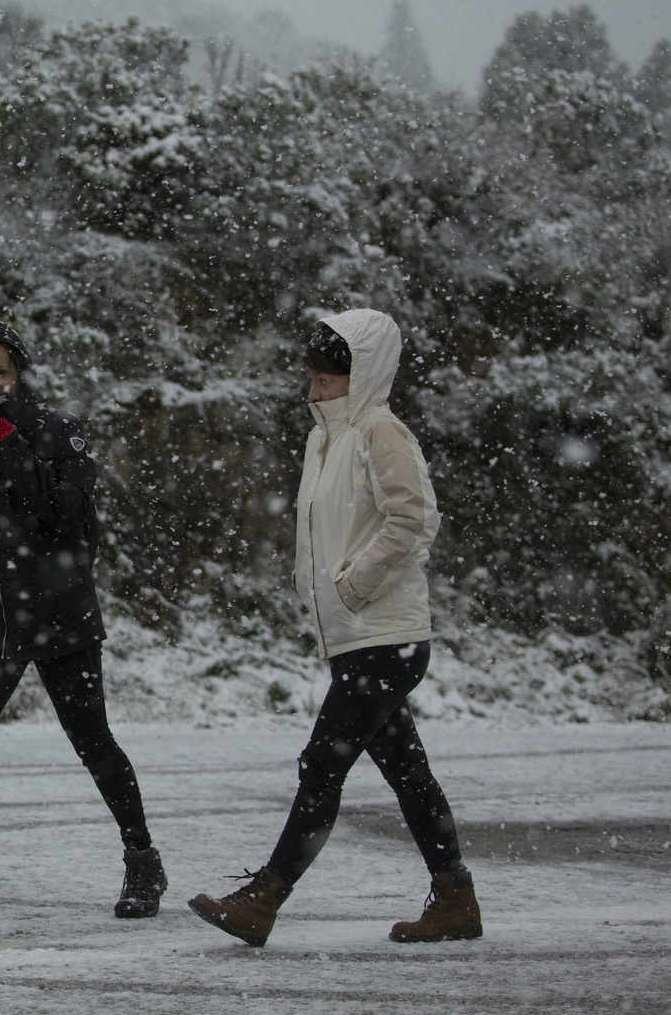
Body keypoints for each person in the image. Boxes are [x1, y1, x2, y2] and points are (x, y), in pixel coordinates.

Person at [188, 308, 483, 947]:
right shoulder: (323, 439)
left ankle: (264, 900)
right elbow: (317, 528)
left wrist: (352, 584)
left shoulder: (381, 431)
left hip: (387, 634)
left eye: (326, 382)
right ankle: (455, 895)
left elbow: (413, 519)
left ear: (363, 375)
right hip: (356, 638)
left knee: (322, 764)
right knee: (408, 772)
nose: (313, 392)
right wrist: (310, 583)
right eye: (311, 379)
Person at [0, 320, 167, 928]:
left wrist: (14, 448)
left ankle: (143, 859)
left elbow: (72, 517)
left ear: (20, 373)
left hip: (60, 617)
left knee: (92, 742)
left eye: (0, 372)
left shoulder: (58, 431)